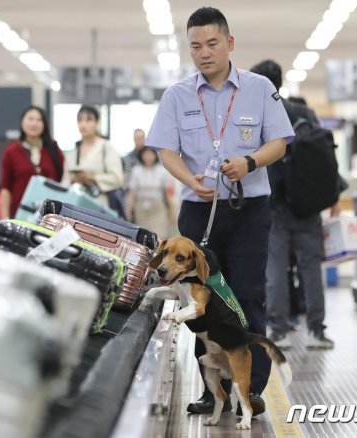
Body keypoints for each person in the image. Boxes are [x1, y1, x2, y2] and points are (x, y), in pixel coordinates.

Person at [146, 7, 294, 417]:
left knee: (246, 294)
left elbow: (280, 142)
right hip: (198, 212)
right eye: (196, 46)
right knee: (201, 298)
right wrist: (191, 182)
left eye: (212, 44)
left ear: (229, 43)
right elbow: (166, 151)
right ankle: (214, 393)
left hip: (248, 209)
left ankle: (252, 387)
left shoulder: (259, 88)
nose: (204, 53)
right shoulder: (177, 95)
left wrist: (249, 162)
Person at [250, 59, 337, 350]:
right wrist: (333, 194)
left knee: (274, 269)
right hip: (308, 204)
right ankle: (317, 330)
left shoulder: (260, 114)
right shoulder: (304, 113)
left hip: (274, 204)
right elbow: (324, 158)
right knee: (311, 268)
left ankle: (279, 329)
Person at [0, 106, 64, 219]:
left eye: (39, 120)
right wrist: (5, 219)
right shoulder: (11, 152)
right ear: (22, 122)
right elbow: (5, 188)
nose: (34, 123)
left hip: (49, 216)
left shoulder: (53, 149)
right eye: (30, 118)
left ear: (44, 125)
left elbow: (62, 181)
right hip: (19, 214)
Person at [62, 105, 125, 216]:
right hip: (76, 205)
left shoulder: (105, 148)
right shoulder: (73, 152)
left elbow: (117, 178)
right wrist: (74, 179)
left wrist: (91, 177)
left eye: (89, 119)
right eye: (80, 120)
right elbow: (65, 182)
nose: (83, 124)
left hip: (100, 204)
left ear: (97, 122)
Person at [126, 147, 175, 239]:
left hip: (158, 209)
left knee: (159, 236)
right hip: (141, 209)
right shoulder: (136, 171)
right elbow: (131, 193)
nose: (148, 157)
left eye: (150, 154)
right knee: (142, 237)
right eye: (145, 154)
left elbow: (167, 194)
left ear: (155, 155)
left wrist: (171, 212)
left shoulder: (162, 171)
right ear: (141, 155)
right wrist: (129, 209)